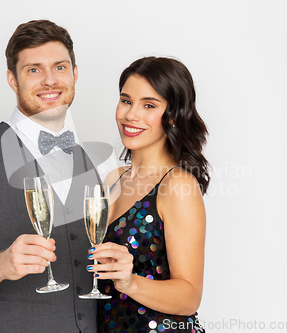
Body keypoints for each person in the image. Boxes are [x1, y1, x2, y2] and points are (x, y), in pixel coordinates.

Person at [0, 19, 111, 332]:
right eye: (33, 70)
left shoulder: (100, 164)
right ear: (12, 80)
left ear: (75, 74)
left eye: (59, 67)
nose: (50, 81)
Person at [88, 57, 209, 332]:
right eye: (126, 100)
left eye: (149, 105)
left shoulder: (177, 185)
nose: (131, 114)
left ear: (174, 115)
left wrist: (130, 282)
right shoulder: (113, 178)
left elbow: (190, 296)